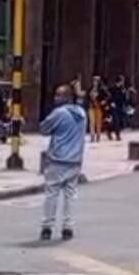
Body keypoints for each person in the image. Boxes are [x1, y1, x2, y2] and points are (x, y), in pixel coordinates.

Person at [39, 84, 87, 241]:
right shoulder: (81, 113)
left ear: (66, 97)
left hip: (58, 159)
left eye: (58, 95)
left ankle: (47, 226)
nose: (55, 98)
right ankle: (68, 227)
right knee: (70, 195)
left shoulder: (59, 113)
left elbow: (44, 129)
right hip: (75, 160)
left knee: (52, 194)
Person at [105, 75, 127, 141]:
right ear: (119, 81)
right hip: (114, 106)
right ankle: (118, 135)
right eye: (122, 81)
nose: (123, 83)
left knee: (119, 121)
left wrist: (124, 93)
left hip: (120, 106)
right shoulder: (112, 88)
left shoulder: (122, 89)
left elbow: (124, 98)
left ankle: (109, 130)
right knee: (116, 120)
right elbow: (109, 96)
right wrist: (111, 102)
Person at [87, 76, 108, 143]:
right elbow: (87, 97)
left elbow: (108, 96)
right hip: (91, 107)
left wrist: (104, 101)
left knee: (98, 122)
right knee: (92, 122)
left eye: (96, 81)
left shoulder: (102, 89)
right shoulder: (90, 89)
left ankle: (98, 135)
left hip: (98, 107)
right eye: (94, 81)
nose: (95, 82)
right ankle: (92, 136)